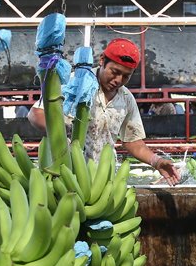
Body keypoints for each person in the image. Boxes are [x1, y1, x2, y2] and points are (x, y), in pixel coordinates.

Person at [28, 38, 181, 186]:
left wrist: (157, 162)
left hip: (103, 179)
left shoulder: (126, 98)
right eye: (115, 72)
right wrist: (63, 135)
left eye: (126, 76)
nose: (118, 80)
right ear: (102, 60)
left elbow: (132, 141)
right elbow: (35, 114)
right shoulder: (75, 82)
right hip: (64, 172)